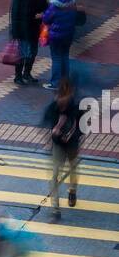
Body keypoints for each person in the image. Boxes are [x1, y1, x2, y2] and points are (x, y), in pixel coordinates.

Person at [43, 77, 81, 221]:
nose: (61, 101)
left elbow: (81, 127)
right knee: (54, 175)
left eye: (64, 98)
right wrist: (51, 137)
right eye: (59, 97)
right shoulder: (52, 108)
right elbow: (46, 125)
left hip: (72, 144)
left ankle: (72, 190)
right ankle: (55, 210)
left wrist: (70, 135)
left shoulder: (76, 108)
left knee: (73, 169)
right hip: (58, 145)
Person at [8, 0, 47, 85]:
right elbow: (14, 14)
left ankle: (27, 73)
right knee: (22, 53)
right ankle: (18, 76)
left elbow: (46, 7)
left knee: (33, 53)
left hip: (35, 28)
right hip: (22, 29)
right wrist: (15, 31)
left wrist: (43, 14)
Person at [41, 0, 78, 90]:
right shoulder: (72, 2)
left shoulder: (54, 5)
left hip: (56, 36)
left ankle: (55, 83)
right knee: (65, 56)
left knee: (56, 58)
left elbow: (46, 19)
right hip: (69, 33)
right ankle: (65, 81)